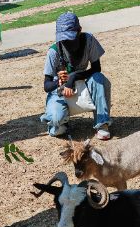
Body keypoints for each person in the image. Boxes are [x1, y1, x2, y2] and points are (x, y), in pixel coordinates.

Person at [40, 11, 112, 140]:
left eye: (70, 37)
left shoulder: (89, 40)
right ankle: (62, 122)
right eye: (63, 38)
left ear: (79, 31)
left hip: (82, 87)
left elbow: (96, 68)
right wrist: (59, 82)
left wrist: (73, 77)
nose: (67, 42)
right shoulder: (54, 51)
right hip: (60, 93)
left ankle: (102, 123)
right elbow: (46, 86)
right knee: (57, 129)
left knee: (99, 79)